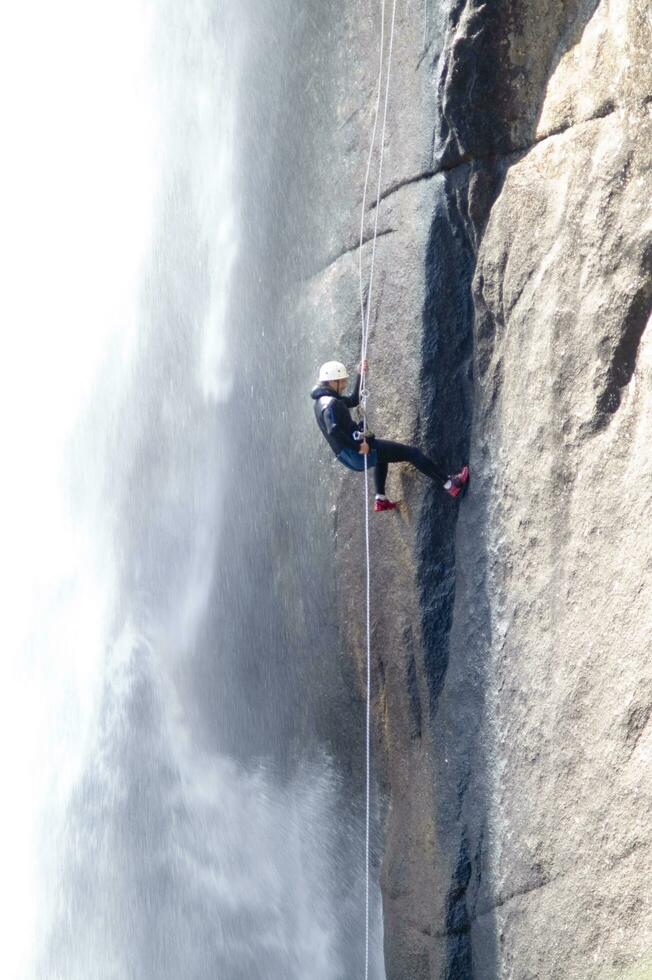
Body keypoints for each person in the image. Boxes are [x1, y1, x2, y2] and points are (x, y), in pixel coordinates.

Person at [311, 360, 469, 511]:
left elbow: (353, 400)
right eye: (342, 382)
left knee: (381, 455)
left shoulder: (322, 402)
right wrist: (358, 447)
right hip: (355, 453)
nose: (344, 385)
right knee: (412, 453)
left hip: (346, 457)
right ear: (332, 382)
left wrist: (361, 375)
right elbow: (334, 430)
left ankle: (380, 499)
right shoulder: (331, 404)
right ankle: (450, 484)